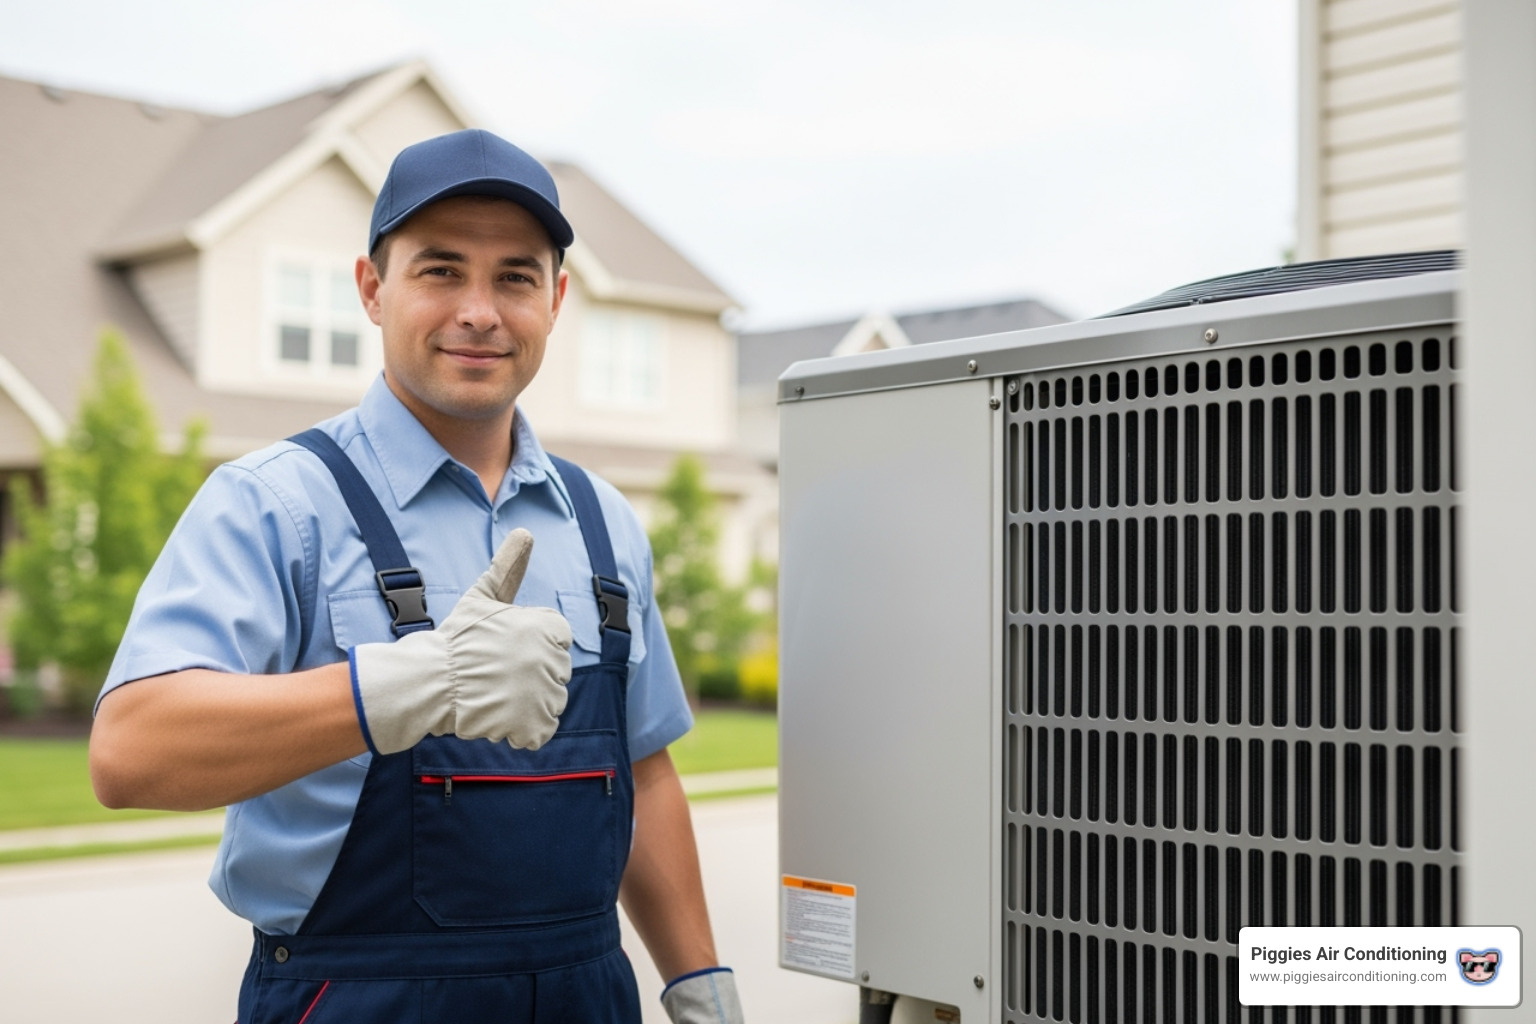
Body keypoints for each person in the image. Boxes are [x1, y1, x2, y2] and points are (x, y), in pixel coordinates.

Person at [89, 128, 745, 1024]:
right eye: (440, 270)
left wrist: (699, 983)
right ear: (371, 288)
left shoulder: (603, 524)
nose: (480, 310)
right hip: (358, 997)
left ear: (555, 301)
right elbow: (131, 751)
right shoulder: (278, 505)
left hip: (588, 996)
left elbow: (645, 769)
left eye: (514, 276)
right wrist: (416, 683)